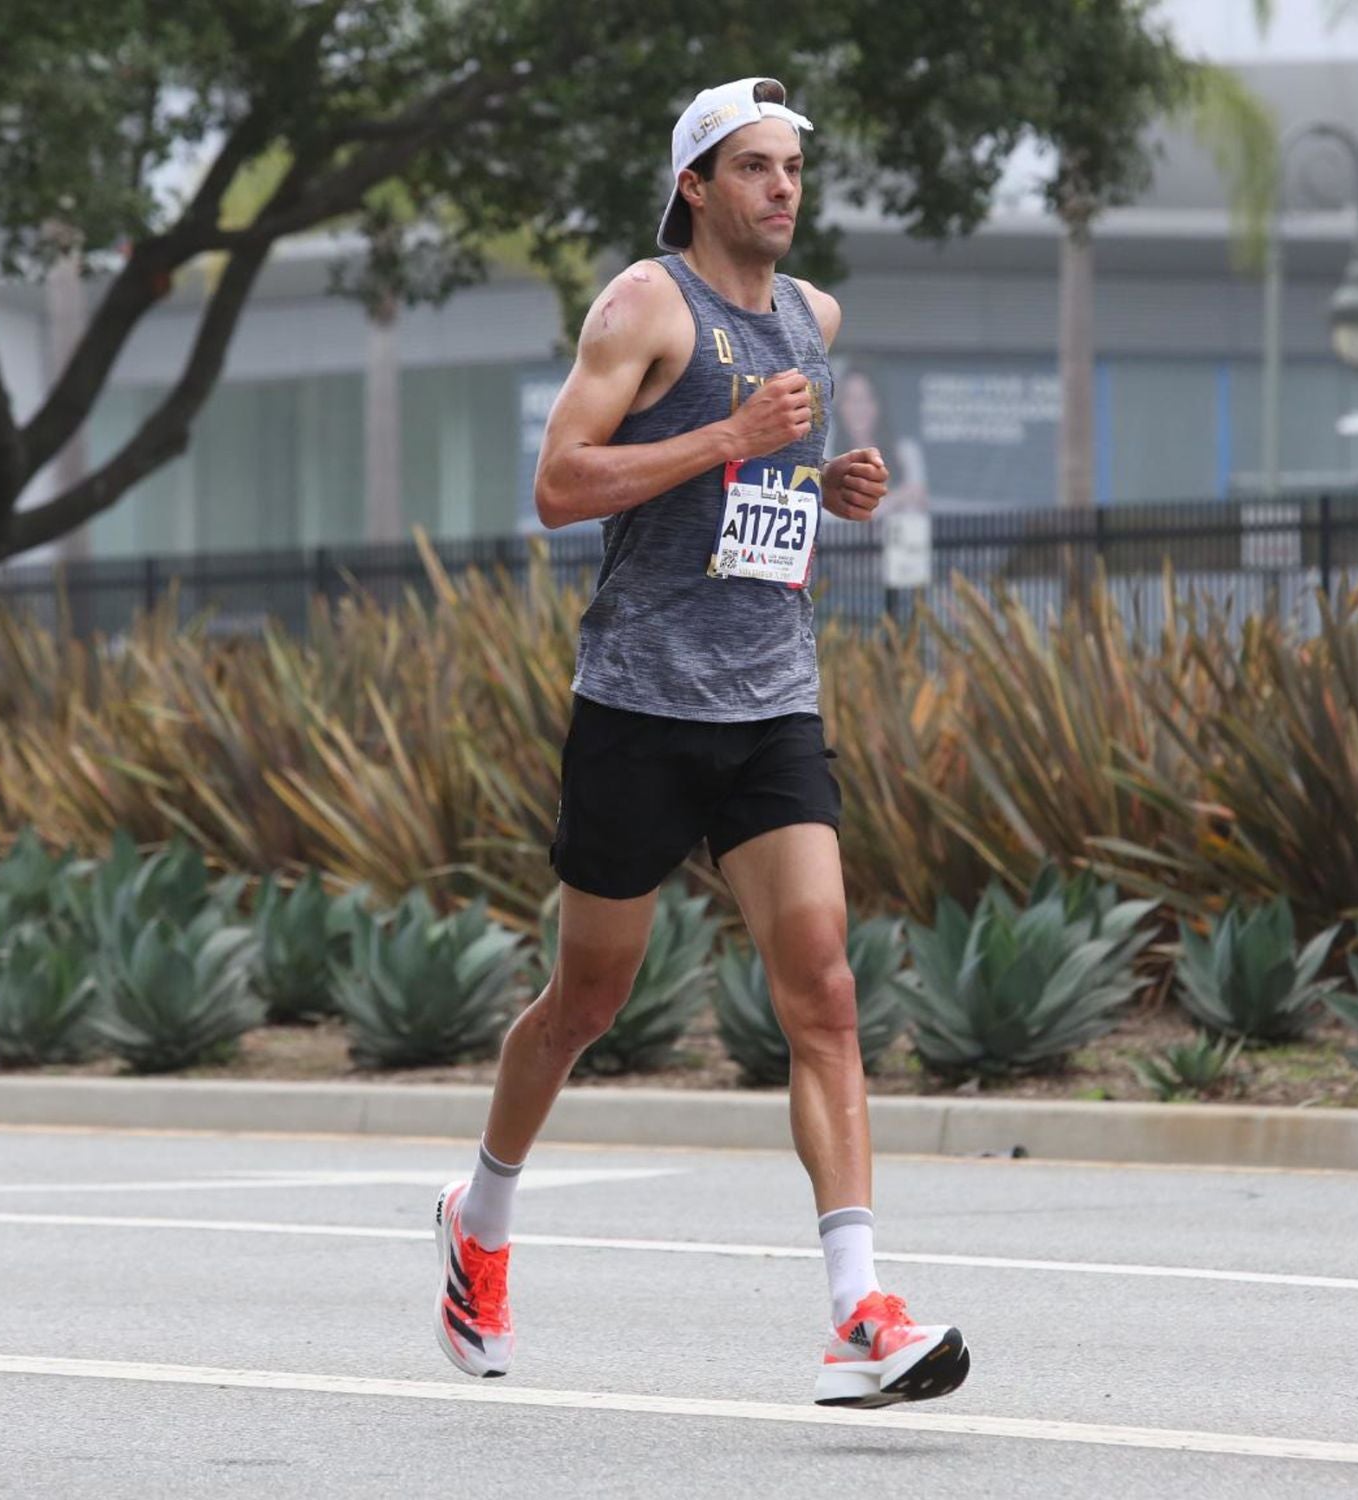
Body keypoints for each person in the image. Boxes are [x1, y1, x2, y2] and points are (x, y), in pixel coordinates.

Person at [433, 76, 970, 1410]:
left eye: (794, 166)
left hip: (772, 700)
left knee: (825, 994)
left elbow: (769, 489)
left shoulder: (813, 317)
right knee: (587, 1005)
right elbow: (559, 486)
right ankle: (480, 1218)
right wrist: (730, 434)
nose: (784, 188)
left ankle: (857, 1310)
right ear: (696, 184)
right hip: (641, 705)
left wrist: (831, 487)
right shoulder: (643, 306)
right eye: (755, 168)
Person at [833, 365, 930, 511]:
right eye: (851, 400)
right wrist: (898, 497)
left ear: (879, 404)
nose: (859, 408)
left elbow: (918, 501)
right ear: (840, 407)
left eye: (866, 399)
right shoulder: (825, 452)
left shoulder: (905, 452)